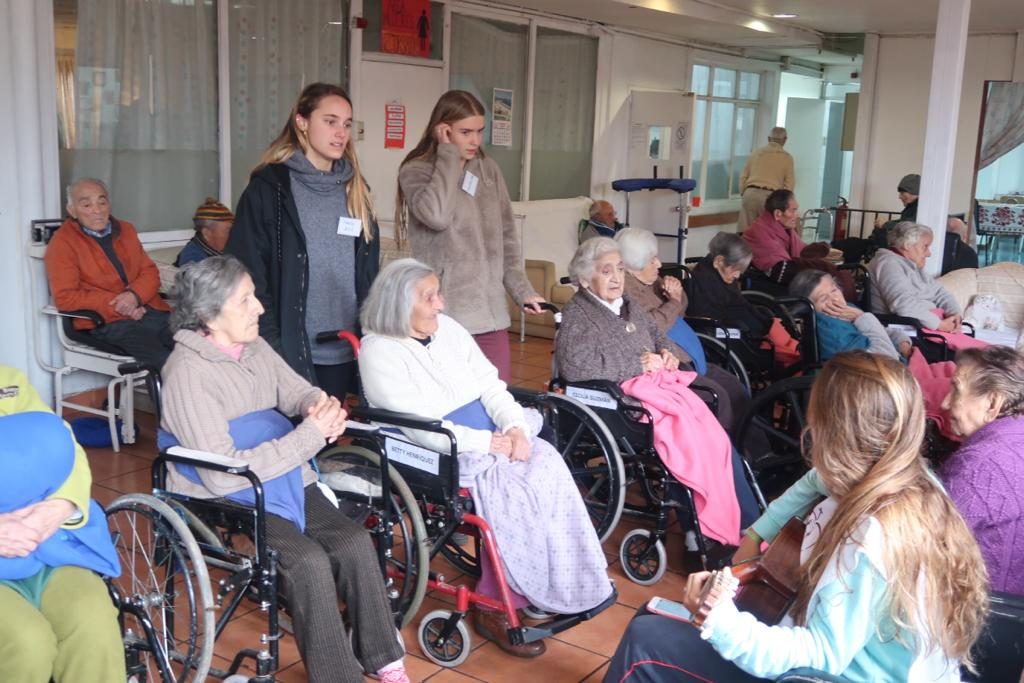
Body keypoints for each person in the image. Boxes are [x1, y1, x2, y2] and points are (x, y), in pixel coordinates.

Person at [605, 351, 989, 682]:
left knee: (645, 641)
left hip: (826, 675)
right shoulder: (907, 479)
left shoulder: (873, 534)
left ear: (834, 432)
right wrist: (756, 534)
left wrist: (719, 619)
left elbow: (820, 656)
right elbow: (815, 480)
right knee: (651, 616)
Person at [159, 256, 409, 683]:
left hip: (282, 472)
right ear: (209, 316)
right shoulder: (187, 373)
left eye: (254, 296)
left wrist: (319, 406)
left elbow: (295, 391)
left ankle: (384, 656)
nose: (259, 307)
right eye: (245, 300)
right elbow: (222, 473)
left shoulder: (254, 346)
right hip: (228, 492)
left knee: (353, 542)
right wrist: (309, 436)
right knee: (307, 561)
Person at [357, 258, 612, 658]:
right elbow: (421, 428)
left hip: (492, 435)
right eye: (429, 297)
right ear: (399, 304)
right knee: (511, 490)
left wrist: (514, 427)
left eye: (439, 294)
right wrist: (487, 443)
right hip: (437, 449)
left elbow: (491, 386)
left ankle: (556, 582)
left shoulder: (448, 329)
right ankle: (495, 603)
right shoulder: (379, 351)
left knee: (549, 467)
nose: (441, 304)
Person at [554, 238, 760, 545]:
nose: (616, 278)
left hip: (656, 389)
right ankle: (699, 529)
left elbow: (657, 335)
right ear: (585, 280)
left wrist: (667, 354)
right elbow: (576, 367)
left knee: (714, 435)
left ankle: (745, 519)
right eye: (606, 271)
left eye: (620, 269)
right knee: (687, 439)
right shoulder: (577, 315)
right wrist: (638, 364)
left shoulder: (627, 303)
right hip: (619, 400)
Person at [227, 82, 380, 399]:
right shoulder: (269, 190)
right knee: (300, 430)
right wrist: (272, 346)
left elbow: (368, 274)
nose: (340, 133)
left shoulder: (356, 190)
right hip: (288, 351)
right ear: (302, 122)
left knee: (339, 427)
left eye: (347, 124)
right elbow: (247, 274)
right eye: (330, 121)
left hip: (348, 348)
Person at [396, 89, 545, 382]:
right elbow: (436, 216)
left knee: (498, 396)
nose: (475, 141)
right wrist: (448, 156)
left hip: (491, 317)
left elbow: (507, 237)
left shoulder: (487, 169)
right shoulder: (416, 170)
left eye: (479, 131)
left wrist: (522, 290)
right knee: (453, 399)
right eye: (465, 132)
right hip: (444, 314)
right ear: (443, 130)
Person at [0, 365, 124, 682]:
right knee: (27, 642)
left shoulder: (7, 380)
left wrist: (59, 506)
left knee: (92, 616)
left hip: (43, 545)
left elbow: (61, 443)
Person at [616, 227, 751, 428]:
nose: (659, 264)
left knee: (736, 388)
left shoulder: (651, 280)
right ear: (634, 265)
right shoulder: (625, 290)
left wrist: (677, 294)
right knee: (720, 397)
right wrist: (673, 301)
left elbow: (682, 309)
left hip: (688, 355)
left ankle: (754, 443)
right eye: (653, 260)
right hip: (669, 361)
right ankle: (728, 445)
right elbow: (651, 326)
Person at [45, 177, 174, 369]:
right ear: (72, 211)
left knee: (194, 344)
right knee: (165, 361)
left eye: (102, 202)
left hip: (147, 309)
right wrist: (122, 306)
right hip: (107, 321)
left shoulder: (126, 230)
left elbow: (149, 271)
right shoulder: (63, 243)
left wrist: (134, 296)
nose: (97, 210)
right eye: (86, 205)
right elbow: (66, 297)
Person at [940, 346, 1024, 595]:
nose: (945, 402)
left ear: (993, 403)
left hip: (988, 608)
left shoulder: (980, 465)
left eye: (956, 389)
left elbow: (920, 545)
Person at [867, 222, 978, 344]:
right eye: (925, 247)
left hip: (925, 324)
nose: (929, 253)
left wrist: (954, 313)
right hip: (907, 326)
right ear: (907, 245)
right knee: (976, 350)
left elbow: (940, 292)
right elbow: (903, 305)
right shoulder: (888, 264)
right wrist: (939, 324)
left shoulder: (912, 265)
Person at [742, 189, 850, 296]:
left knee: (845, 256)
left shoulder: (785, 229)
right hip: (771, 286)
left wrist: (825, 249)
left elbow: (803, 251)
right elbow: (781, 270)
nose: (797, 215)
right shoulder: (759, 231)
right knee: (830, 279)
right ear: (778, 214)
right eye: (793, 210)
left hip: (786, 280)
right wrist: (822, 268)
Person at [789, 269, 911, 362]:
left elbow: (878, 330)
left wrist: (901, 340)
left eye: (834, 290)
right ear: (808, 310)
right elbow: (887, 361)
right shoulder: (830, 331)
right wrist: (862, 317)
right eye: (824, 298)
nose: (835, 299)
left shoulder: (846, 309)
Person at [873, 173, 978, 274]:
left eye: (902, 193)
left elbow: (910, 225)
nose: (899, 196)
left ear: (914, 192)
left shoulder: (920, 208)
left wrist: (885, 224)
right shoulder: (918, 207)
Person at [688, 232, 773, 339]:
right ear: (719, 261)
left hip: (730, 322)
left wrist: (765, 321)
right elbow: (709, 319)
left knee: (765, 316)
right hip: (716, 331)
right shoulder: (704, 283)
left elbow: (740, 302)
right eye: (736, 269)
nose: (737, 275)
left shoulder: (721, 274)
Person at [737, 127, 794, 231]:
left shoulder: (756, 153)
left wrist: (743, 192)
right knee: (767, 232)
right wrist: (784, 204)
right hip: (770, 197)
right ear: (785, 140)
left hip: (750, 194)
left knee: (746, 232)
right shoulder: (787, 158)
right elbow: (789, 185)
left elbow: (743, 176)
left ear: (768, 139)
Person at [175, 197, 235, 266]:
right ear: (207, 233)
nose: (232, 235)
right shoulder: (194, 260)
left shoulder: (220, 251)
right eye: (227, 231)